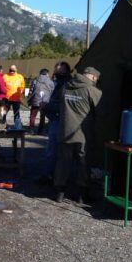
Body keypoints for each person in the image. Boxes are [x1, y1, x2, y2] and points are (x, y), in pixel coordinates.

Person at [54, 67, 102, 204]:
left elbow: (59, 105)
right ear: (92, 77)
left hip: (64, 132)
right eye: (96, 80)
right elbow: (101, 112)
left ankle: (60, 193)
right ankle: (81, 195)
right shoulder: (92, 90)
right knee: (83, 163)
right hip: (83, 134)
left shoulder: (65, 86)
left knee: (63, 162)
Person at [43, 61, 72, 183]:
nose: (56, 72)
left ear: (65, 71)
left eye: (59, 70)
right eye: (56, 70)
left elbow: (62, 105)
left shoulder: (65, 85)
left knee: (54, 151)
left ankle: (52, 177)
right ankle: (52, 176)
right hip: (55, 119)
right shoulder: (58, 83)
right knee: (53, 151)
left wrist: (47, 106)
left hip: (59, 120)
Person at [28, 68, 54, 134]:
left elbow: (31, 90)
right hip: (45, 102)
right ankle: (40, 131)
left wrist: (29, 99)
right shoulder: (50, 82)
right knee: (42, 116)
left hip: (35, 100)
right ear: (47, 74)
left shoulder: (35, 80)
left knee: (33, 116)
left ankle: (31, 130)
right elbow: (52, 92)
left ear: (40, 73)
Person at [2, 65, 25, 129]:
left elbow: (23, 85)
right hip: (7, 98)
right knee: (4, 112)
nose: (11, 72)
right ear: (9, 70)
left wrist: (21, 92)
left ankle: (17, 126)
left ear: (16, 70)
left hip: (16, 98)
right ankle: (2, 125)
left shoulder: (20, 77)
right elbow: (2, 86)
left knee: (16, 113)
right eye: (10, 70)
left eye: (13, 70)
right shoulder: (5, 76)